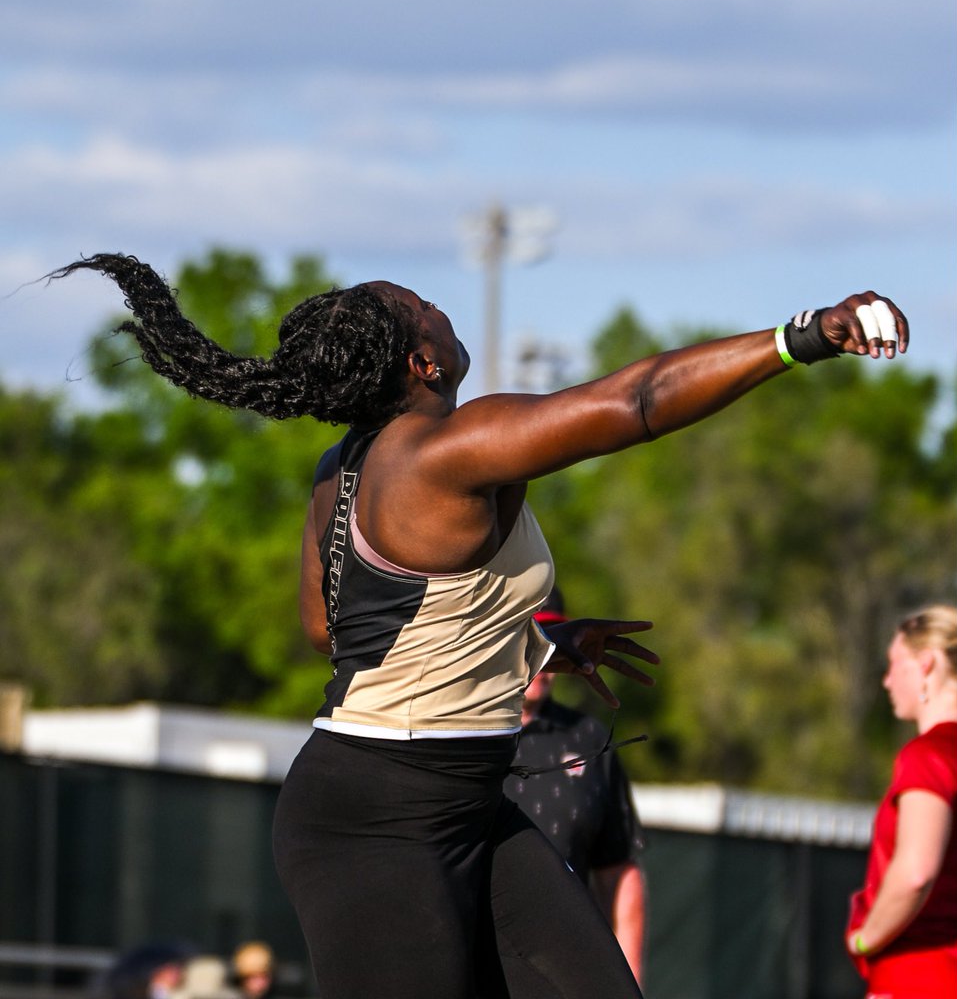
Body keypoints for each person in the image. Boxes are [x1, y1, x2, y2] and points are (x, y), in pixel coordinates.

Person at [52, 254, 907, 999]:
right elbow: (637, 400)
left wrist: (531, 642)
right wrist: (805, 337)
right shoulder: (446, 450)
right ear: (422, 361)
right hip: (376, 822)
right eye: (423, 304)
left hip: (461, 803)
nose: (438, 303)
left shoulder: (340, 470)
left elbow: (333, 632)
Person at [504, 585, 647, 986]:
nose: (543, 653)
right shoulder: (454, 733)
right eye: (531, 636)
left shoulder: (588, 739)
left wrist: (629, 985)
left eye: (552, 638)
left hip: (563, 975)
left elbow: (619, 872)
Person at [846, 605, 957, 997]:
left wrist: (864, 939)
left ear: (926, 664)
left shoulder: (929, 756)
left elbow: (915, 873)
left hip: (920, 978)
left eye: (895, 663)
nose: (887, 680)